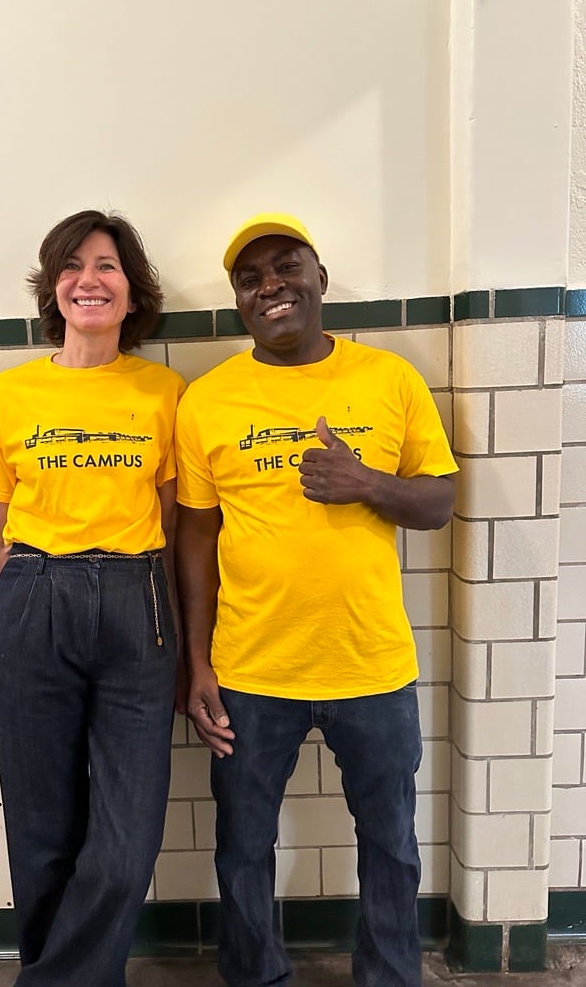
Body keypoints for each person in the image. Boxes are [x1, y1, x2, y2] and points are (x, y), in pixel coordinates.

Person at [174, 213, 458, 987]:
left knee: (392, 843)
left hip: (371, 664)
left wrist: (364, 483)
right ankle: (256, 977)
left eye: (286, 266)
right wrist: (196, 665)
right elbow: (194, 541)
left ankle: (390, 978)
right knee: (241, 846)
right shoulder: (207, 401)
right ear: (240, 300)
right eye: (251, 276)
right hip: (251, 670)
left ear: (320, 279)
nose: (271, 285)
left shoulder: (389, 378)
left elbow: (439, 502)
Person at [0, 209, 185, 987]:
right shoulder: (7, 394)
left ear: (132, 293)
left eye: (107, 266)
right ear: (53, 289)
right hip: (31, 598)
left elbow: (175, 523)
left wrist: (191, 656)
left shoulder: (165, 393)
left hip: (137, 603)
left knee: (126, 839)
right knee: (41, 831)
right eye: (72, 267)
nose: (88, 279)